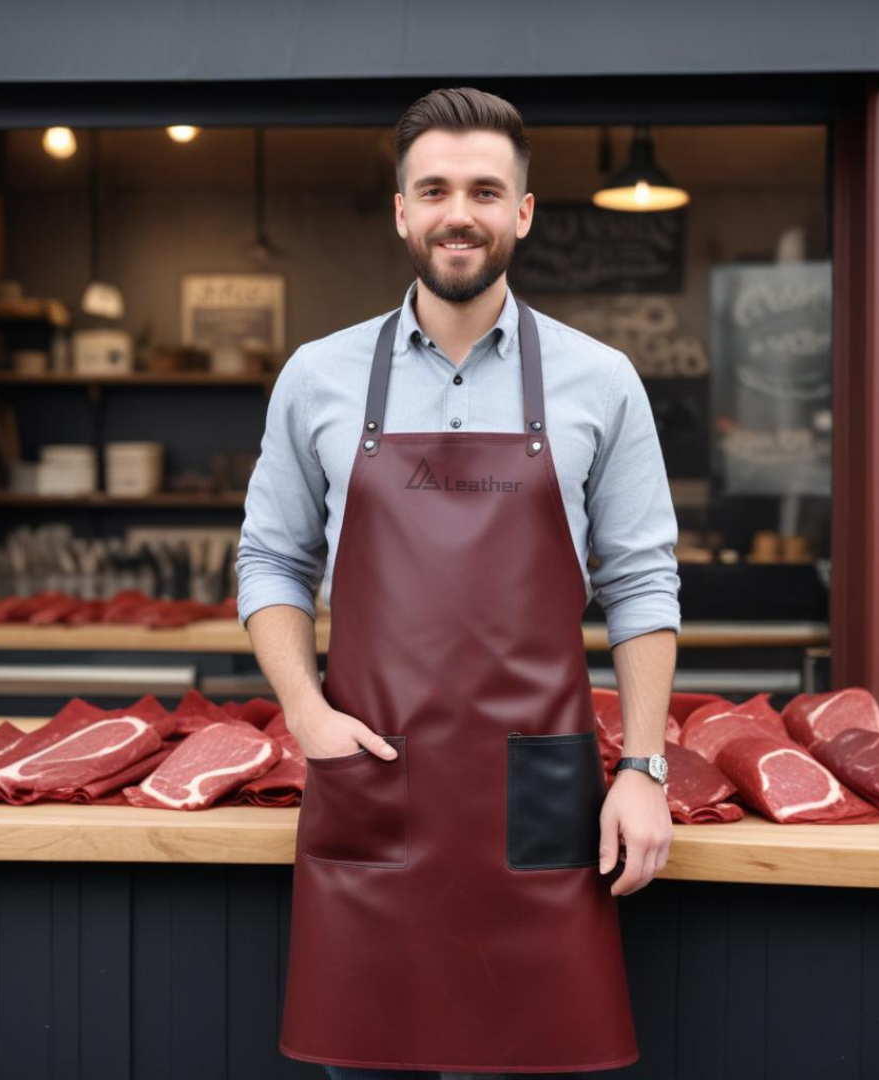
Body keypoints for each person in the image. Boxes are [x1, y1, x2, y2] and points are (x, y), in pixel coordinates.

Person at [236, 87, 680, 1080]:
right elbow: (270, 559)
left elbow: (644, 584)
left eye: (485, 190)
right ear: (402, 209)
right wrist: (305, 714)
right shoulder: (318, 375)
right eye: (434, 189)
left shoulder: (599, 379)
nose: (458, 213)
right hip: (375, 784)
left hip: (538, 805)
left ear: (523, 211)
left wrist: (644, 771)